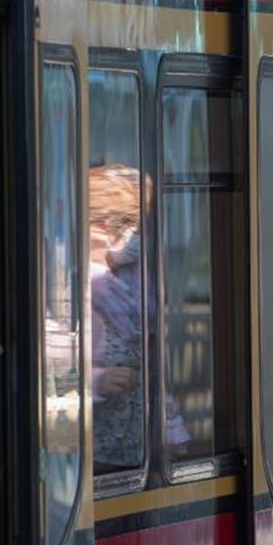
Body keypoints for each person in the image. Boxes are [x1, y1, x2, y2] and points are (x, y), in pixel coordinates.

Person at [89, 165, 189, 486]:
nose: (133, 238)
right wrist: (97, 382)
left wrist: (172, 431)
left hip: (135, 443)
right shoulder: (70, 283)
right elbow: (49, 366)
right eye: (124, 225)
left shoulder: (135, 279)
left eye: (136, 226)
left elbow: (149, 367)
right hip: (88, 445)